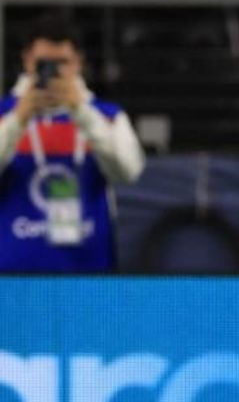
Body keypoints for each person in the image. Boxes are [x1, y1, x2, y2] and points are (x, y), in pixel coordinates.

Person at [0, 14, 144, 272]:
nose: (54, 73)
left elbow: (129, 171)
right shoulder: (4, 115)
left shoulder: (107, 116)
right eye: (45, 63)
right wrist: (18, 119)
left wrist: (81, 111)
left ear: (78, 62)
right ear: (26, 61)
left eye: (62, 63)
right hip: (12, 278)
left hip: (88, 273)